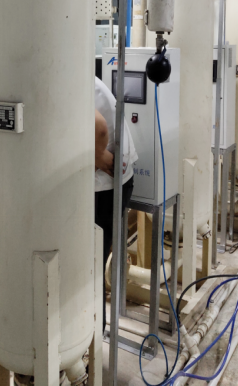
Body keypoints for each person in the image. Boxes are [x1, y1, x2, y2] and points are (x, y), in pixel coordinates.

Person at [94, 76, 138, 332]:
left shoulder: (69, 76)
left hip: (106, 186)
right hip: (109, 182)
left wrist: (97, 156)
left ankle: (93, 335)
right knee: (91, 262)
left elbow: (99, 128)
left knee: (90, 265)